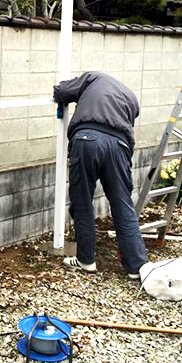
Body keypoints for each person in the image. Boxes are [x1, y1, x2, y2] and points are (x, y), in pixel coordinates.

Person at [53, 71, 147, 279]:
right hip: (120, 145)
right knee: (123, 204)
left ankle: (86, 260)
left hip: (87, 139)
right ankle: (136, 267)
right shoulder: (130, 96)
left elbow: (61, 90)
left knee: (82, 201)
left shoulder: (93, 78)